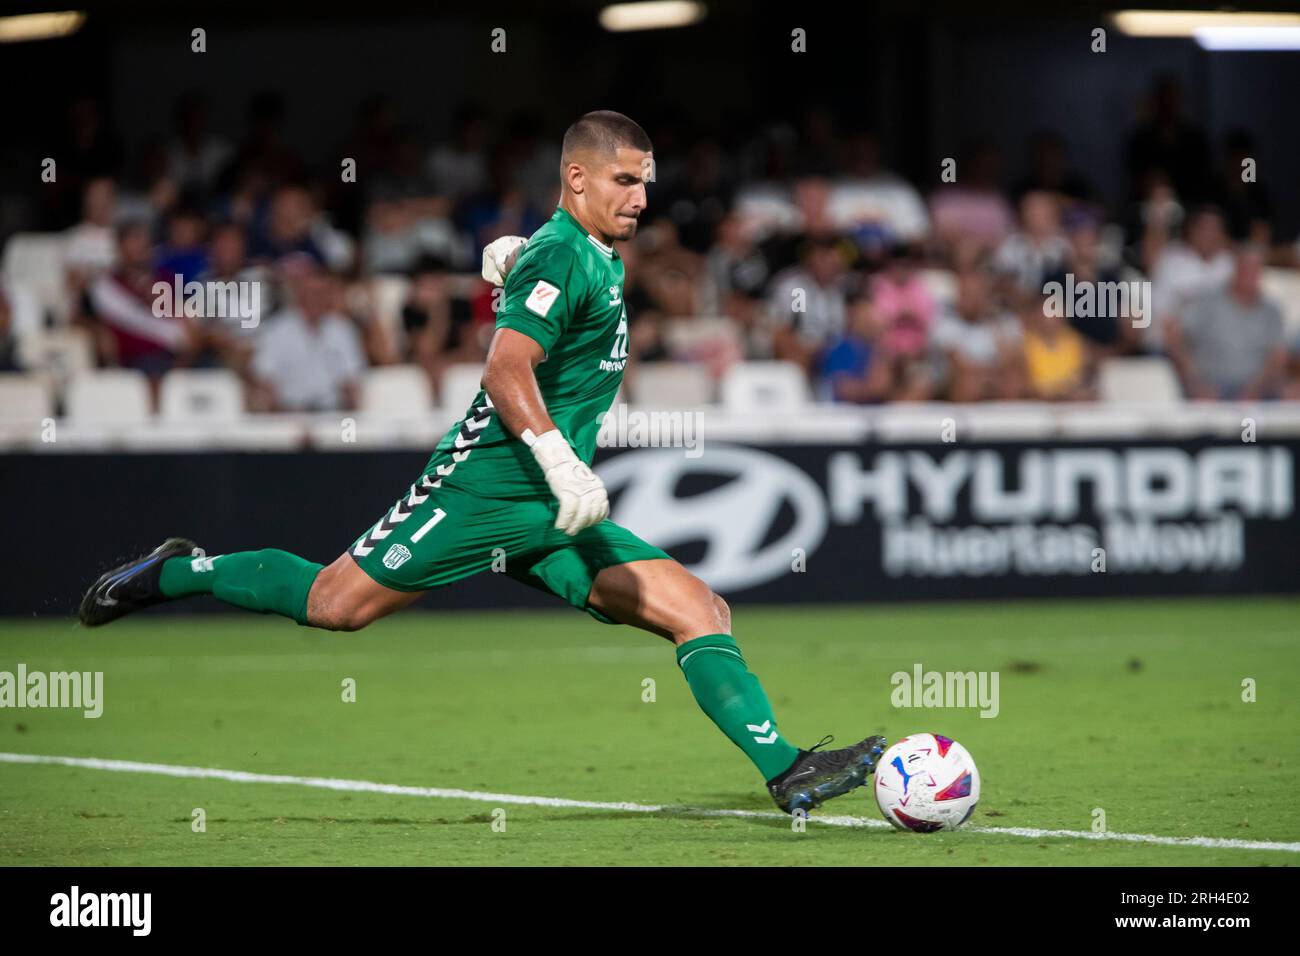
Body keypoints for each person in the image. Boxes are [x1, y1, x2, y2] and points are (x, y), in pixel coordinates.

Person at [78, 111, 885, 816]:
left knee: (697, 608)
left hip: (550, 510)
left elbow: (543, 314)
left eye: (645, 181)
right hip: (485, 486)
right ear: (577, 177)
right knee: (334, 606)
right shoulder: (569, 254)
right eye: (625, 179)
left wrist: (515, 274)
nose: (641, 196)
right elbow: (504, 370)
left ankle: (788, 770)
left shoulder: (587, 252)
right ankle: (179, 571)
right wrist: (560, 460)